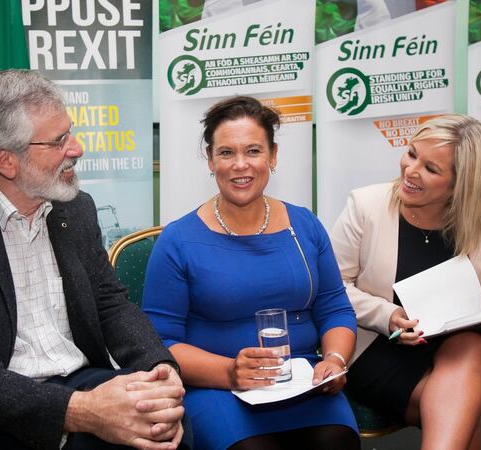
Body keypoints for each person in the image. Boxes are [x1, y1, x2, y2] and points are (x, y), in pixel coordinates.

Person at [0, 70, 190, 450]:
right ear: (5, 160)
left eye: (70, 132)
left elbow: (109, 304)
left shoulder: (76, 209)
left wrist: (157, 367)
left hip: (76, 379)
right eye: (59, 140)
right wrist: (81, 411)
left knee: (165, 430)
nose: (77, 148)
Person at [142, 96, 361, 450]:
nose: (240, 165)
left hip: (303, 380)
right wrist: (230, 372)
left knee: (336, 441)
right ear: (211, 160)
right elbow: (159, 343)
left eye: (254, 151)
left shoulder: (304, 225)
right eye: (226, 153)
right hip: (217, 387)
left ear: (273, 156)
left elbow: (334, 307)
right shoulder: (178, 241)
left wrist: (334, 360)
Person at [329, 114, 481, 450]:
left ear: (460, 184)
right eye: (412, 153)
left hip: (456, 348)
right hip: (380, 347)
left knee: (471, 347)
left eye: (431, 168)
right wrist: (387, 314)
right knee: (459, 410)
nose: (411, 170)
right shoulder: (366, 205)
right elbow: (332, 288)